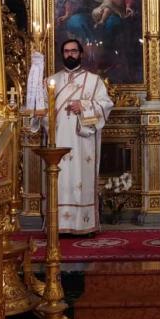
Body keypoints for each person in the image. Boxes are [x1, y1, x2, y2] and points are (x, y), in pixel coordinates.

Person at [52, 39, 114, 235]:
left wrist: (84, 106)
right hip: (58, 140)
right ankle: (57, 225)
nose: (70, 54)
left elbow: (106, 105)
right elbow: (43, 113)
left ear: (80, 54)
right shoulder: (51, 81)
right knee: (60, 179)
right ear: (62, 54)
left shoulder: (94, 81)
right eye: (66, 51)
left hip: (83, 142)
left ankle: (84, 225)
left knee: (81, 178)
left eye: (73, 51)